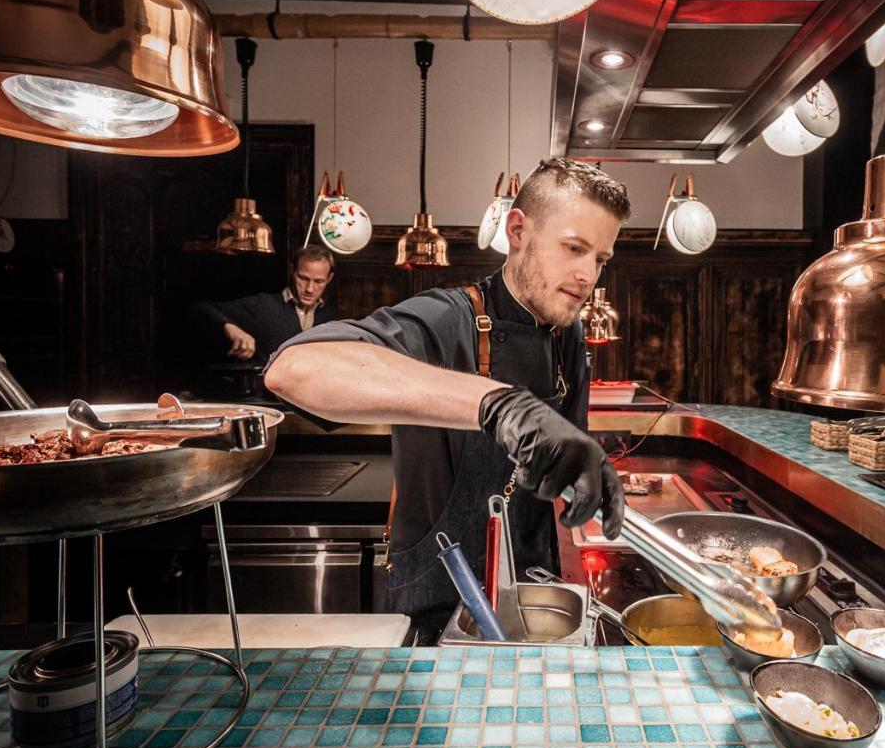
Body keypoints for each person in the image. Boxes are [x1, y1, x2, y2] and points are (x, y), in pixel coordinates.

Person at [265, 158, 630, 627]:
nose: (587, 276)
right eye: (574, 248)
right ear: (517, 230)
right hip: (439, 602)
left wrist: (582, 471)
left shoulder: (567, 335)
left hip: (533, 592)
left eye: (600, 260)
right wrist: (497, 405)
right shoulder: (447, 317)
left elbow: (557, 464)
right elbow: (294, 370)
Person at [194, 246, 339, 363]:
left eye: (319, 281)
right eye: (303, 278)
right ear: (292, 271)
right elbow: (202, 307)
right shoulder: (263, 305)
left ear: (329, 278)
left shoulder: (331, 318)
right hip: (266, 396)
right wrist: (231, 328)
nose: (310, 289)